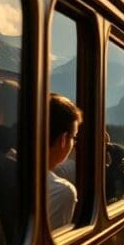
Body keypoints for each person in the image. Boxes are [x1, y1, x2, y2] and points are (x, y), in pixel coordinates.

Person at [48, 93, 82, 230]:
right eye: (73, 137)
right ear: (63, 140)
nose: (73, 143)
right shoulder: (62, 192)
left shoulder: (6, 167)